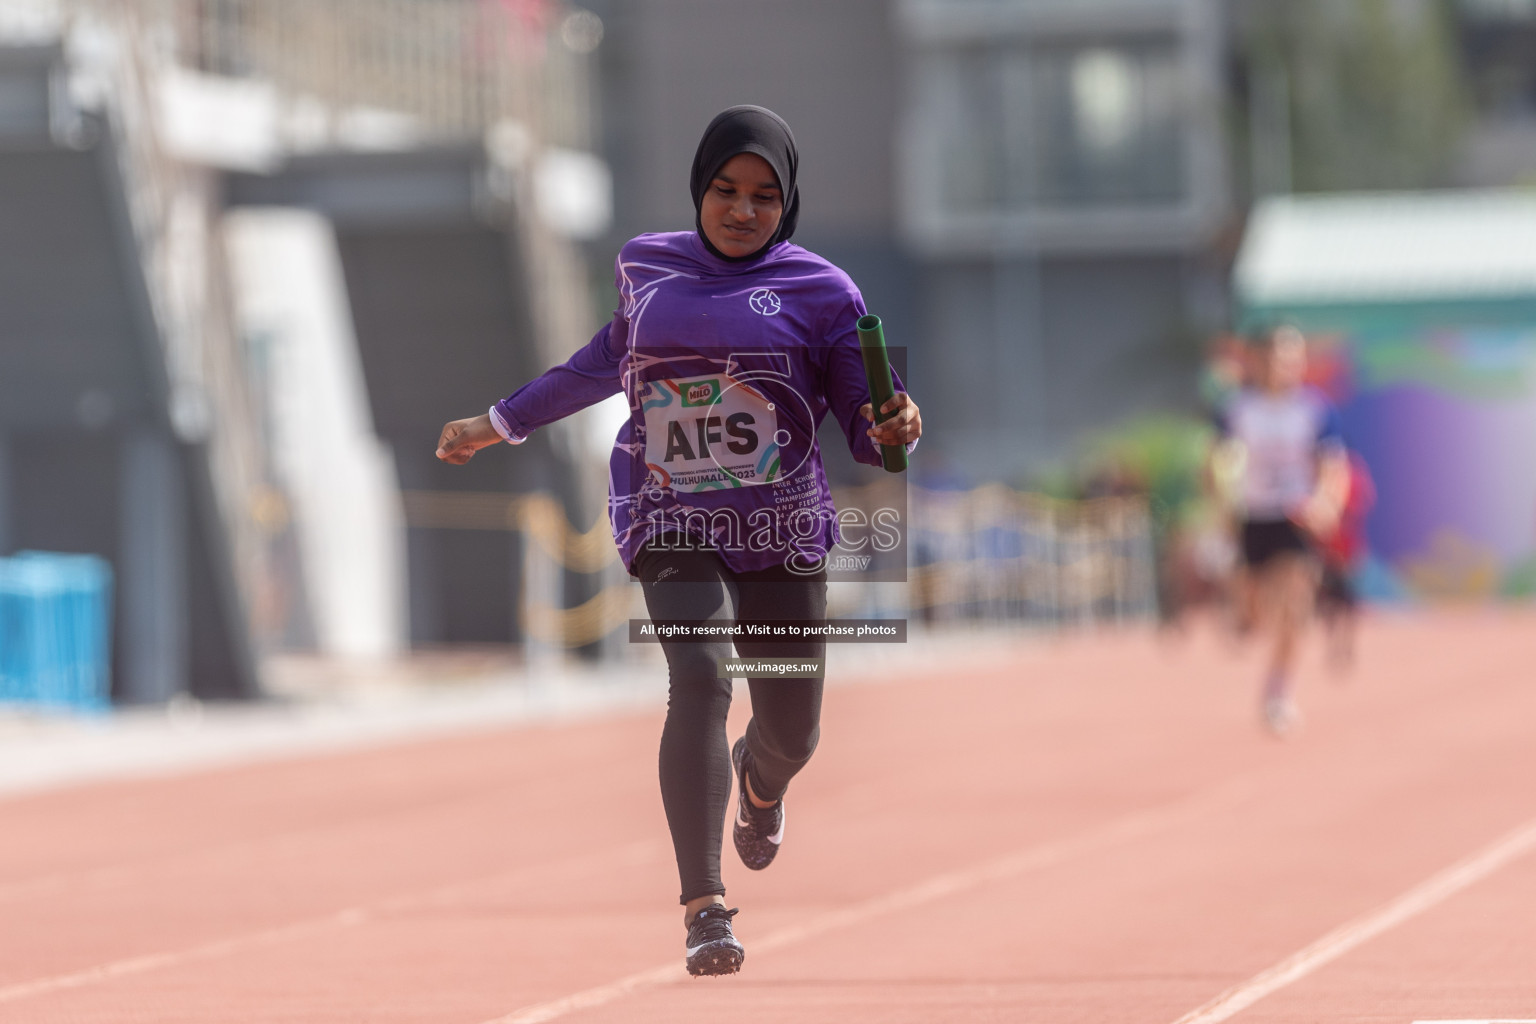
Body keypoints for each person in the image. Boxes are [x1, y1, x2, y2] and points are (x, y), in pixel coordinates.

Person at [434, 106, 922, 976]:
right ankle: (705, 906)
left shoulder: (824, 290)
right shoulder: (644, 265)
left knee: (792, 733)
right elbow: (597, 365)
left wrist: (899, 421)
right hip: (670, 509)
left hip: (779, 522)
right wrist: (495, 421)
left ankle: (760, 783)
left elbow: (866, 426)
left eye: (764, 197)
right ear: (700, 189)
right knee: (697, 674)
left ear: (788, 202)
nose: (742, 210)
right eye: (726, 191)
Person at [1210, 324, 1347, 736]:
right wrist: (1221, 500)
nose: (1281, 366)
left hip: (1295, 517)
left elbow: (1332, 466)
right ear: (1254, 360)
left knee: (1295, 603)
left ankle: (1277, 693)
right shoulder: (1236, 409)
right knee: (1254, 616)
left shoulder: (1314, 410)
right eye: (1271, 357)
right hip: (1252, 517)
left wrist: (1326, 502)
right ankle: (1243, 604)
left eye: (1290, 357)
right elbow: (1214, 463)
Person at [1315, 449, 1375, 669]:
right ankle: (1334, 644)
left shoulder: (1352, 470)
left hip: (1346, 549)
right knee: (1328, 603)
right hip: (1326, 551)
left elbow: (1363, 503)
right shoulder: (1319, 469)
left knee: (1347, 602)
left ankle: (1346, 646)